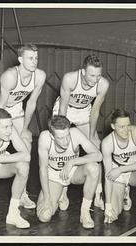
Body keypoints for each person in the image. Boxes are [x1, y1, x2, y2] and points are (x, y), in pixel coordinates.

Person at [0, 43, 46, 213]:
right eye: (30, 58)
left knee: (26, 140)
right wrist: (0, 134)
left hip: (16, 107)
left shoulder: (39, 76)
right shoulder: (9, 76)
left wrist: (24, 128)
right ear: (20, 59)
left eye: (36, 58)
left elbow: (31, 103)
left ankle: (22, 193)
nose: (34, 61)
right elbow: (1, 108)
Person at [52, 54, 114, 211]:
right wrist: (63, 133)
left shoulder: (103, 84)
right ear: (83, 71)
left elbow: (95, 110)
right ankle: (62, 190)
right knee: (62, 147)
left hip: (84, 112)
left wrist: (92, 134)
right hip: (65, 110)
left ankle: (98, 194)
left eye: (99, 75)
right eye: (92, 75)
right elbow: (63, 107)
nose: (95, 79)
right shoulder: (70, 79)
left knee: (96, 147)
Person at [36, 115, 102, 229]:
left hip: (73, 172)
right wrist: (47, 199)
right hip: (54, 175)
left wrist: (72, 162)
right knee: (45, 216)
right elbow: (43, 169)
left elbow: (98, 155)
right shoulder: (44, 138)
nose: (66, 141)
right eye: (61, 138)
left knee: (94, 168)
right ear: (52, 136)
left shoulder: (75, 133)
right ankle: (60, 193)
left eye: (67, 136)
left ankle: (85, 212)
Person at [101, 109, 136, 228]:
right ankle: (124, 191)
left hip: (132, 172)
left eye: (128, 125)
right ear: (113, 126)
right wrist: (108, 206)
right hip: (117, 175)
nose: (126, 130)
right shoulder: (107, 143)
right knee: (112, 216)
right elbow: (108, 177)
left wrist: (121, 169)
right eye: (121, 127)